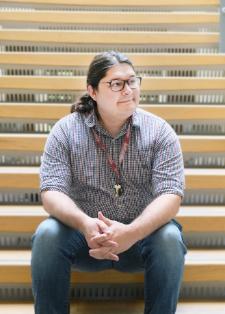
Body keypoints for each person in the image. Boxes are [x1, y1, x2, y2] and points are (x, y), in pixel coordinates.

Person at [31, 50, 187, 314]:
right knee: (47, 234)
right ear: (92, 91)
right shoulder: (65, 131)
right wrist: (85, 224)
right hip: (85, 239)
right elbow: (51, 190)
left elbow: (171, 195)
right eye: (116, 83)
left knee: (170, 238)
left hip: (140, 239)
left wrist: (132, 232)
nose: (128, 90)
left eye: (132, 81)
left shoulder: (160, 131)